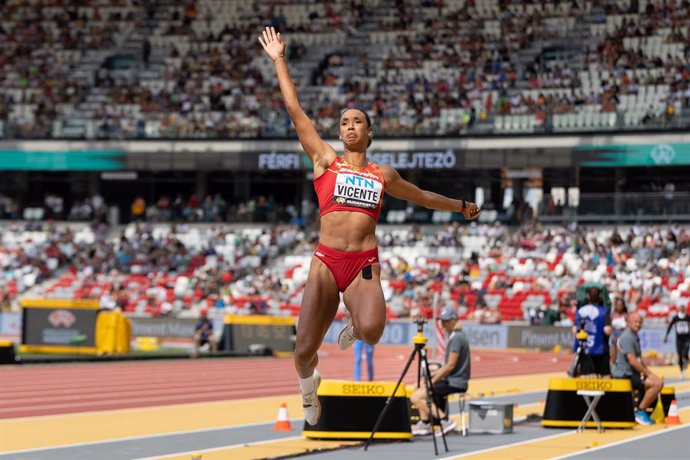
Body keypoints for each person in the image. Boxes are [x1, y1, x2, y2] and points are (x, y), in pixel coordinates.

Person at [258, 26, 481, 426]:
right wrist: (278, 59)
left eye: (357, 121)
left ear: (369, 132)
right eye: (344, 121)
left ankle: (354, 326)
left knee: (373, 331)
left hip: (363, 261)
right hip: (326, 261)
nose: (348, 126)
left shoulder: (384, 175)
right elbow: (295, 111)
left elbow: (423, 196)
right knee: (303, 351)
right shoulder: (326, 159)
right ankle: (309, 389)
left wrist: (460, 206)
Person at [409, 307, 470, 437]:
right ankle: (425, 423)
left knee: (416, 397)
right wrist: (431, 378)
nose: (443, 325)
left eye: (446, 321)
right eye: (442, 321)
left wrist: (433, 380)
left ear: (454, 321)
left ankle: (445, 421)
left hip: (455, 382)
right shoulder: (456, 336)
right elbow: (448, 366)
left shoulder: (457, 338)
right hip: (452, 380)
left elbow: (450, 366)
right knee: (418, 386)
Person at [612, 312, 664, 425]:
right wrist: (649, 374)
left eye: (640, 322)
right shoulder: (627, 337)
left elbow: (638, 361)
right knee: (657, 383)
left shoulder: (634, 336)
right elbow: (633, 361)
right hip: (625, 375)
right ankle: (640, 411)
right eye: (635, 322)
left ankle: (639, 409)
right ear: (629, 322)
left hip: (632, 374)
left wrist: (648, 373)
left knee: (657, 381)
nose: (638, 324)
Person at [572, 286, 612, 377]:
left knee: (587, 376)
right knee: (604, 376)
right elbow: (607, 330)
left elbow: (575, 330)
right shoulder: (604, 311)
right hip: (600, 348)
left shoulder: (580, 311)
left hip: (584, 348)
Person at [664, 304, 690, 379]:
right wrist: (666, 335)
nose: (682, 309)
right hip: (679, 339)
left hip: (687, 338)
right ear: (679, 309)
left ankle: (686, 359)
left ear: (685, 309)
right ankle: (681, 371)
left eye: (683, 307)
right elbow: (670, 326)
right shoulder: (676, 317)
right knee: (679, 355)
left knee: (684, 353)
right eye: (681, 307)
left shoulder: (688, 317)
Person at [609, 297, 628, 364]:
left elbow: (627, 326)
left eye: (621, 305)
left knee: (622, 351)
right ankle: (613, 364)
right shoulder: (612, 315)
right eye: (618, 305)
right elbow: (610, 325)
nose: (619, 307)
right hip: (614, 335)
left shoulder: (626, 315)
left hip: (622, 335)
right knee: (613, 351)